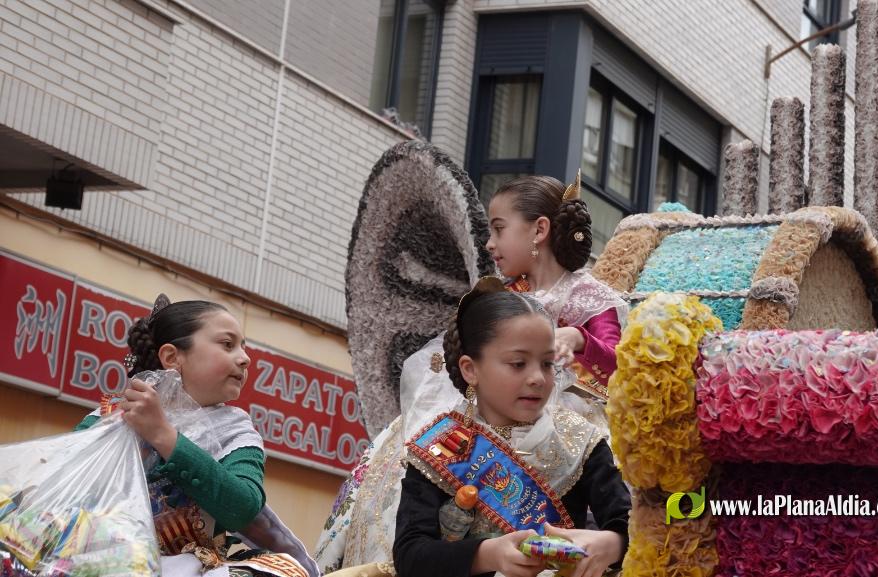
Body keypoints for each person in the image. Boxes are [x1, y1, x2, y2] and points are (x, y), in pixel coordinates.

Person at [315, 173, 627, 573]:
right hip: (479, 422)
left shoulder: (588, 297)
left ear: (539, 230)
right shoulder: (497, 299)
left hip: (570, 415)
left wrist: (581, 340)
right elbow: (413, 554)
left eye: (498, 229)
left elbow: (621, 363)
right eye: (517, 362)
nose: (489, 244)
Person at [392, 279, 630, 577]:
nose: (537, 378)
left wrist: (613, 543)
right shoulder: (443, 446)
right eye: (518, 363)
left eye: (547, 364)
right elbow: (410, 555)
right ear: (471, 369)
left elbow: (632, 524)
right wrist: (487, 554)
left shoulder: (580, 440)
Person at [74, 295, 308, 577]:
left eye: (243, 347)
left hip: (192, 568)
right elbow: (62, 478)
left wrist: (165, 436)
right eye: (228, 344)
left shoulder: (237, 432)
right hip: (101, 559)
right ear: (172, 357)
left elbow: (243, 508)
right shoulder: (112, 415)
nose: (245, 359)